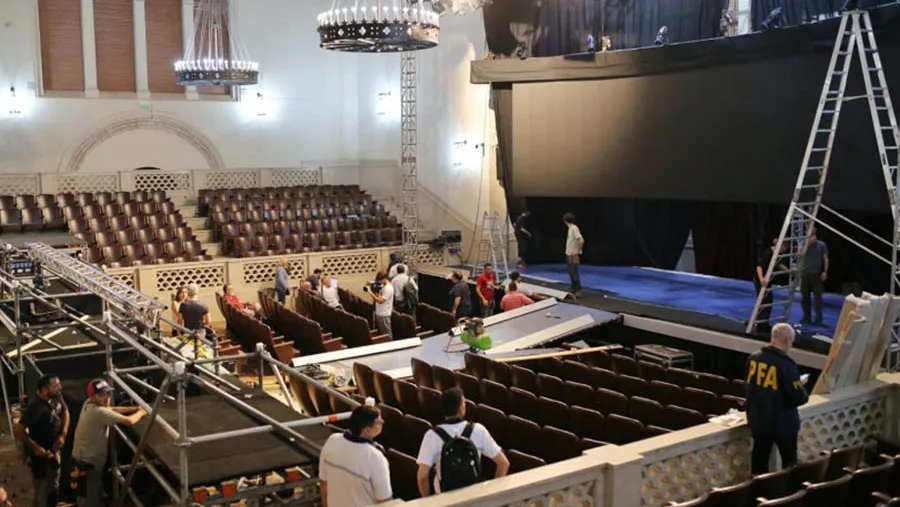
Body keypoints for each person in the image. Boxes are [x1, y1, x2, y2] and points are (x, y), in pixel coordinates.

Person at [416, 388, 509, 496]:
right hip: (475, 496)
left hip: (445, 498)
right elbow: (504, 463)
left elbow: (422, 477)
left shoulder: (431, 435)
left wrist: (428, 501)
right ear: (461, 408)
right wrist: (493, 494)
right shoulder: (478, 430)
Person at [71, 379, 147, 507]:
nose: (106, 397)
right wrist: (142, 411)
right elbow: (129, 421)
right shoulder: (98, 412)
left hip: (84, 462)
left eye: (107, 393)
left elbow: (111, 409)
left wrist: (133, 408)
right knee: (90, 502)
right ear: (93, 397)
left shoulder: (89, 404)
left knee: (90, 498)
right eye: (101, 395)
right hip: (88, 466)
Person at [745, 323, 809, 475]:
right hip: (782, 424)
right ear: (787, 341)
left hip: (759, 421)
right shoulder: (786, 365)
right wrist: (802, 389)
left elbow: (749, 388)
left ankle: (758, 495)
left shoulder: (754, 359)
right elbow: (797, 397)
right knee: (789, 464)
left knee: (759, 463)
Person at [318, 404, 392, 507]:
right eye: (379, 422)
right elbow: (385, 501)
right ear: (367, 430)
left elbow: (323, 483)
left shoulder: (332, 440)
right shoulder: (375, 458)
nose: (383, 422)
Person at [15, 374, 68, 507]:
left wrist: (63, 434)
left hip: (54, 450)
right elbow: (18, 429)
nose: (60, 388)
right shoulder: (35, 407)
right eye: (55, 386)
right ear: (45, 389)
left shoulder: (56, 397)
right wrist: (35, 447)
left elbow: (66, 412)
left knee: (54, 483)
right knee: (42, 488)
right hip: (40, 456)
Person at [754, 239, 787, 331]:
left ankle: (762, 322)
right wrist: (761, 279)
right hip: (761, 279)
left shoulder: (776, 254)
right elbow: (759, 267)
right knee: (765, 301)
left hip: (767, 280)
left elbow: (778, 264)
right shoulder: (768, 253)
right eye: (784, 248)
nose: (785, 251)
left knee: (767, 302)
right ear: (781, 246)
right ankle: (761, 325)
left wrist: (787, 270)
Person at [800, 227, 828, 325]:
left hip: (817, 273)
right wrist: (807, 244)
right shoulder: (804, 243)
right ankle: (806, 317)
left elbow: (825, 258)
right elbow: (799, 252)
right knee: (805, 296)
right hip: (805, 273)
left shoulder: (821, 244)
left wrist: (825, 271)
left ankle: (818, 319)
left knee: (818, 297)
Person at [364, 271, 394, 339]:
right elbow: (379, 297)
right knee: (382, 333)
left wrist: (370, 292)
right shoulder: (383, 286)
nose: (379, 282)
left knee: (387, 333)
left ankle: (391, 345)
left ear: (385, 278)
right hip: (379, 313)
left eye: (380, 280)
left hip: (384, 314)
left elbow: (380, 301)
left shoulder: (388, 288)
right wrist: (374, 292)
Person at [563, 213, 584, 298]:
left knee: (574, 272)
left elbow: (581, 240)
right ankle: (573, 288)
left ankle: (578, 289)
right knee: (571, 272)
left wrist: (577, 251)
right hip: (569, 253)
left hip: (573, 254)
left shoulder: (574, 228)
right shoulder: (571, 228)